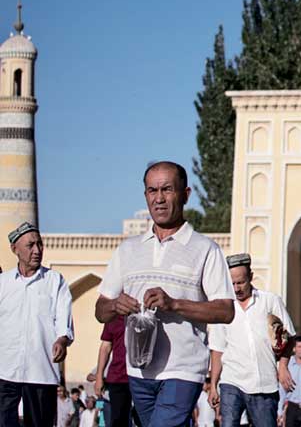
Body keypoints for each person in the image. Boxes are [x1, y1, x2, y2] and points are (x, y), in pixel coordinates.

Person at [95, 161, 235, 427]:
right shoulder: (128, 250)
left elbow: (225, 310)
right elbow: (100, 310)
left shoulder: (205, 249)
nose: (159, 198)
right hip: (138, 370)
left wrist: (175, 304)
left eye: (167, 189)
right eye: (152, 190)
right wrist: (115, 305)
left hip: (183, 369)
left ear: (185, 194)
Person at [0, 222, 74, 427]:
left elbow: (63, 318)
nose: (37, 250)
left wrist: (62, 339)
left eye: (39, 245)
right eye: (30, 245)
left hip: (40, 372)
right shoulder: (3, 283)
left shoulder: (54, 281)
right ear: (15, 249)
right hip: (5, 371)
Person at [209, 253, 295, 427]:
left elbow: (288, 336)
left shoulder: (270, 301)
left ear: (251, 277)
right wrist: (213, 385)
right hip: (231, 380)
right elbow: (218, 349)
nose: (236, 288)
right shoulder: (224, 308)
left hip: (263, 383)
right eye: (232, 283)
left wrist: (283, 366)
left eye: (240, 282)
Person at [94, 315, 133, 427]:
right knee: (118, 420)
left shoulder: (146, 313)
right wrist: (99, 377)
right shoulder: (113, 316)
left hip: (144, 377)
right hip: (118, 377)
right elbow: (105, 347)